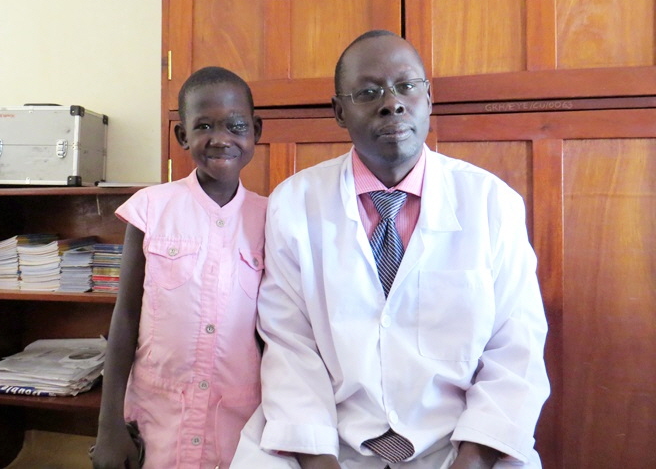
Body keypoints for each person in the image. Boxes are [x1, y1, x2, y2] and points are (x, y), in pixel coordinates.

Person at [232, 30, 550, 469]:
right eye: (368, 92)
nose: (392, 103)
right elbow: (290, 346)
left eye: (406, 86)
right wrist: (319, 459)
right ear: (339, 112)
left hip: (460, 441)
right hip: (330, 438)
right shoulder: (296, 203)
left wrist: (473, 458)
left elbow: (516, 350)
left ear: (429, 98)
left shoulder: (492, 203)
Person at [91, 66, 266, 469]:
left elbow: (276, 332)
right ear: (182, 135)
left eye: (236, 125)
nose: (220, 138)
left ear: (255, 130)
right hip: (157, 417)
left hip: (240, 422)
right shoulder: (150, 209)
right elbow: (126, 315)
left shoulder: (270, 217)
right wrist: (108, 426)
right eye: (203, 126)